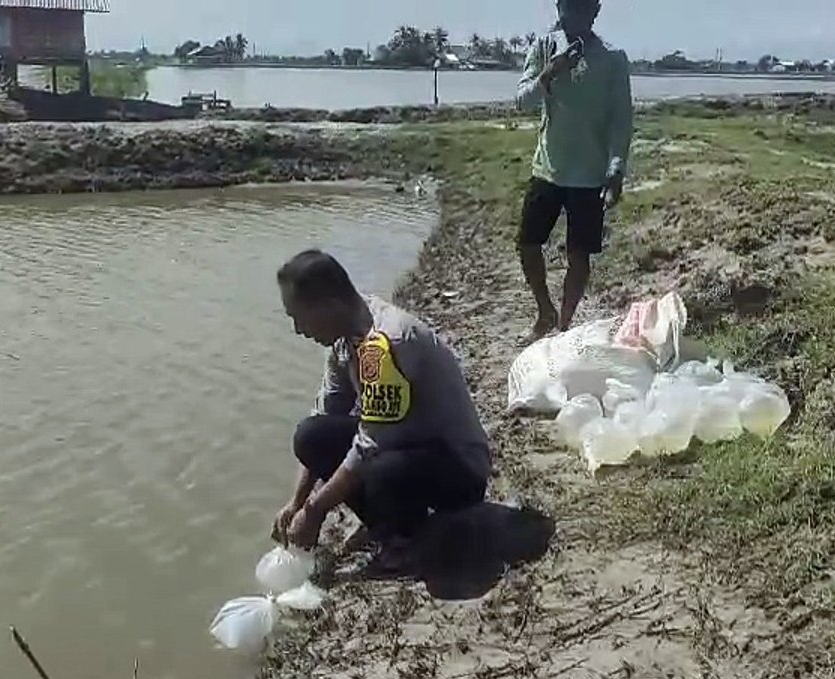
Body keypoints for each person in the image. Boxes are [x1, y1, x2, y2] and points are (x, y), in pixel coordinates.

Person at [271, 249, 491, 561]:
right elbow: (326, 413)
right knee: (310, 436)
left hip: (458, 467)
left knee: (380, 473)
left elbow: (368, 445)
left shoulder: (388, 341)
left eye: (298, 318)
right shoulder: (345, 340)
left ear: (328, 306)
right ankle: (386, 524)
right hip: (406, 445)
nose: (298, 330)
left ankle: (409, 535)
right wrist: (297, 502)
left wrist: (316, 509)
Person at [515, 0, 634, 343]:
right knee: (527, 243)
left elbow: (620, 119)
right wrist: (549, 73)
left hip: (590, 174)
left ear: (595, 11)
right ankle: (544, 312)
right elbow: (523, 100)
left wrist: (616, 170)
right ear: (559, 7)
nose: (575, 14)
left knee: (578, 255)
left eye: (583, 8)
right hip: (547, 168)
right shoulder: (543, 46)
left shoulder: (613, 58)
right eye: (569, 6)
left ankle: (564, 327)